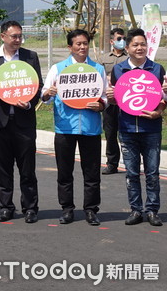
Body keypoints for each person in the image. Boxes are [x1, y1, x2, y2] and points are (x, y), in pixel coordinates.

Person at [0, 21, 42, 224]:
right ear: (3, 36)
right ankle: (6, 207)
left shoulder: (30, 57)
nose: (18, 40)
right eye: (14, 36)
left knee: (27, 169)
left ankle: (30, 208)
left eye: (20, 36)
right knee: (2, 168)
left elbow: (37, 87)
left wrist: (29, 104)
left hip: (24, 122)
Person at [42, 29, 106, 226]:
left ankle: (91, 209)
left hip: (90, 128)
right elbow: (45, 96)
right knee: (64, 171)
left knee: (92, 172)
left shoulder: (98, 69)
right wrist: (48, 93)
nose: (82, 47)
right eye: (78, 44)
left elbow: (104, 98)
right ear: (70, 47)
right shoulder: (58, 68)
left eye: (85, 43)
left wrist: (101, 105)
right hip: (65, 127)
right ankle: (67, 208)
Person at [106, 28, 164, 226]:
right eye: (135, 45)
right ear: (127, 48)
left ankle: (152, 210)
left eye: (143, 44)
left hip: (151, 129)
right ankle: (136, 210)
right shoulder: (118, 70)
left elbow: (163, 98)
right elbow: (115, 101)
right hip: (127, 128)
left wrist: (159, 111)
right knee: (131, 173)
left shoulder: (157, 69)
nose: (140, 48)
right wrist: (111, 99)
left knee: (153, 173)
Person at [99, 28, 128, 175]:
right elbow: (98, 77)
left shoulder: (129, 58)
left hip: (126, 101)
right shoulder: (103, 58)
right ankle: (112, 163)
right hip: (110, 101)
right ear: (111, 41)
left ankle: (130, 163)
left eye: (123, 38)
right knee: (110, 133)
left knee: (126, 133)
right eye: (118, 39)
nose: (121, 41)